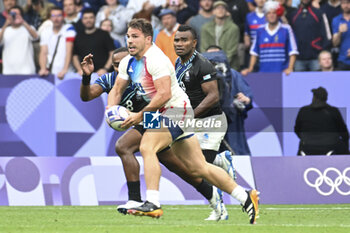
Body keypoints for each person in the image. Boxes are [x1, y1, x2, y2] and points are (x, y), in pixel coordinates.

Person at [107, 18, 259, 224]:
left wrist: (139, 115)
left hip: (177, 110)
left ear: (148, 39)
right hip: (159, 113)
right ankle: (245, 196)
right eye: (128, 37)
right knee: (198, 167)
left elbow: (163, 94)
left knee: (147, 147)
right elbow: (117, 89)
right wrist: (111, 110)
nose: (130, 41)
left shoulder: (156, 59)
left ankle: (153, 202)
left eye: (135, 37)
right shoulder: (127, 62)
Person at [80, 47, 229, 221]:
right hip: (143, 121)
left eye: (121, 64)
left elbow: (163, 95)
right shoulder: (112, 80)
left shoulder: (142, 76)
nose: (118, 68)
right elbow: (87, 96)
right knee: (177, 166)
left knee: (124, 146)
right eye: (114, 65)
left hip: (158, 117)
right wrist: (86, 76)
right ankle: (212, 195)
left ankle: (135, 199)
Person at [174, 25, 236, 220]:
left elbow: (213, 97)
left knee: (201, 169)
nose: (179, 44)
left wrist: (190, 115)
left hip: (211, 121)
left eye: (184, 40)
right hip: (192, 121)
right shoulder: (178, 63)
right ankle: (221, 160)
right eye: (176, 40)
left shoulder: (203, 64)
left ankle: (220, 210)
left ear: (194, 43)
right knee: (184, 161)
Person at [203, 46, 253, 155]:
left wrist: (246, 99)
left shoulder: (234, 74)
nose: (215, 59)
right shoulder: (200, 75)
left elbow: (248, 97)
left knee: (236, 154)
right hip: (208, 124)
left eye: (217, 56)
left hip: (232, 124)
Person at [241, 1, 298, 75]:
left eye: (274, 13)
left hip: (282, 74)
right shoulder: (259, 30)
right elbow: (254, 52)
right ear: (266, 15)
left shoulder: (286, 29)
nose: (271, 15)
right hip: (264, 74)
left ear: (278, 14)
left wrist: (290, 68)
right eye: (269, 13)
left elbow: (293, 51)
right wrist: (250, 68)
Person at [294, 87, 349, 155]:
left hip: (306, 148)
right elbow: (344, 133)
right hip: (331, 147)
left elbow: (297, 130)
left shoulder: (303, 111)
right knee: (342, 146)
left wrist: (308, 139)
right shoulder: (333, 111)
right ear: (325, 99)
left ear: (314, 97)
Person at [289, 0, 332, 71]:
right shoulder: (293, 15)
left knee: (318, 81)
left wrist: (323, 52)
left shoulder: (319, 13)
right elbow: (290, 36)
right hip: (298, 58)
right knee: (300, 81)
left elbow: (327, 34)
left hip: (316, 57)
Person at [72, 8, 115, 76]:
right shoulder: (78, 36)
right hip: (84, 75)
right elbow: (75, 56)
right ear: (82, 20)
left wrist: (105, 68)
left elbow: (112, 53)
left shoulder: (104, 34)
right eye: (85, 18)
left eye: (91, 17)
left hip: (103, 75)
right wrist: (79, 69)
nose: (88, 20)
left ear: (95, 19)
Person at [200, 1, 240, 70]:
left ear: (227, 12)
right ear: (213, 11)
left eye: (223, 8)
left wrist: (221, 65)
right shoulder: (205, 28)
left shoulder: (233, 28)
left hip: (230, 66)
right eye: (217, 8)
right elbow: (204, 49)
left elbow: (231, 52)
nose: (220, 10)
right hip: (210, 66)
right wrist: (211, 65)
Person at [39, 6, 76, 79]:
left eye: (59, 15)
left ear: (63, 17)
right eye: (53, 16)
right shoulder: (45, 32)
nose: (56, 19)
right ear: (50, 18)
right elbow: (43, 52)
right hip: (51, 71)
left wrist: (65, 70)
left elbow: (69, 51)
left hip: (67, 72)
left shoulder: (69, 28)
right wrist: (43, 68)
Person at [0, 5, 38, 74]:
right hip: (9, 71)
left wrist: (23, 22)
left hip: (27, 70)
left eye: (17, 14)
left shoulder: (28, 28)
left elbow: (36, 37)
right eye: (12, 14)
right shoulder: (4, 30)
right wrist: (6, 24)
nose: (15, 16)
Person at [332, 0, 350, 70]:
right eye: (343, 3)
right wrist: (339, 32)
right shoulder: (336, 20)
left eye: (348, 2)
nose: (346, 5)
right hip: (343, 60)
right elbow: (335, 43)